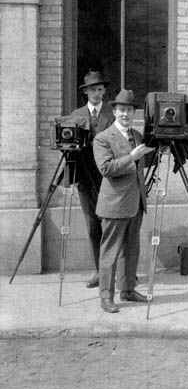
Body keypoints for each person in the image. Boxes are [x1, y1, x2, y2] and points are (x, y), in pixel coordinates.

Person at [92, 89, 153, 313]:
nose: (125, 114)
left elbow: (142, 165)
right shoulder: (103, 138)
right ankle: (106, 297)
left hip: (135, 203)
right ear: (115, 112)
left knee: (132, 250)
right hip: (114, 204)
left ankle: (127, 290)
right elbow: (106, 168)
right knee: (110, 253)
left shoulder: (137, 136)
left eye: (129, 110)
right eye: (121, 110)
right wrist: (132, 157)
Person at [69, 70, 114, 288]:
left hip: (110, 180)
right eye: (92, 90)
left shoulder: (112, 114)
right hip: (86, 180)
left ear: (104, 90)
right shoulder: (76, 115)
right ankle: (99, 272)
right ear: (85, 92)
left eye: (100, 89)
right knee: (93, 226)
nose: (97, 94)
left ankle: (121, 272)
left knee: (114, 224)